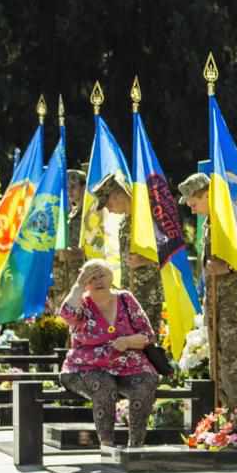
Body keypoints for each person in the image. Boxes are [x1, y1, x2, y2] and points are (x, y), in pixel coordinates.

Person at [179, 172, 237, 431]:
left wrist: (229, 269)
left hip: (234, 310)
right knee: (219, 370)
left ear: (208, 193)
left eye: (193, 199)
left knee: (234, 370)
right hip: (217, 310)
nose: (190, 206)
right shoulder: (212, 223)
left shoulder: (232, 222)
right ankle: (226, 424)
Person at [58, 258, 159, 447]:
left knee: (145, 382)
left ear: (111, 277)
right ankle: (107, 446)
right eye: (91, 277)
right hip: (84, 368)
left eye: (102, 275)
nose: (98, 280)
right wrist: (78, 285)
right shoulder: (81, 304)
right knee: (104, 385)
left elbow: (147, 335)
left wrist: (127, 341)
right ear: (84, 282)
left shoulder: (125, 299)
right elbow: (66, 314)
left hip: (128, 365)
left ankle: (136, 446)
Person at [93, 172, 164, 330]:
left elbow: (169, 252)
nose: (109, 211)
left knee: (147, 344)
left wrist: (145, 260)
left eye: (109, 205)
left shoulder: (147, 217)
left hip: (148, 293)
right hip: (130, 294)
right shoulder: (125, 222)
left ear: (118, 195)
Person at [50, 168, 87, 306]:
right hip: (63, 279)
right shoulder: (69, 215)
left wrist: (76, 253)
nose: (69, 191)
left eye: (73, 187)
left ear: (84, 187)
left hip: (80, 279)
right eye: (66, 188)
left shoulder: (90, 214)